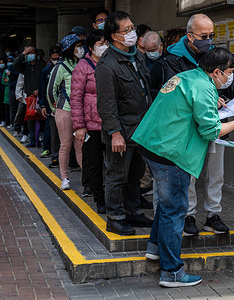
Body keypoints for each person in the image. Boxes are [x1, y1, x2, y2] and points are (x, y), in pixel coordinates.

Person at [132, 47, 234, 288]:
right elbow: (210, 130)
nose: (230, 78)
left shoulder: (188, 77)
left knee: (166, 204)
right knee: (175, 209)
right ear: (217, 71)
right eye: (229, 73)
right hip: (171, 152)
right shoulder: (204, 87)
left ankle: (155, 248)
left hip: (152, 144)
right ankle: (172, 272)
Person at [164, 13, 234, 237]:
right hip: (189, 127)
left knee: (215, 172)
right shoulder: (174, 58)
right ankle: (188, 215)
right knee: (189, 172)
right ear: (190, 36)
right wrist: (206, 97)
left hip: (218, 121)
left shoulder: (216, 53)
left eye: (211, 35)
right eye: (204, 36)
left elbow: (233, 78)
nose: (208, 40)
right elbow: (175, 92)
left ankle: (213, 214)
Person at [95, 11, 153, 235]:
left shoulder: (137, 56)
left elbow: (144, 89)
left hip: (140, 129)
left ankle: (133, 212)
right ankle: (115, 217)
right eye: (127, 30)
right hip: (121, 132)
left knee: (135, 174)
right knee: (117, 176)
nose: (132, 33)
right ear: (114, 36)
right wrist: (115, 133)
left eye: (133, 27)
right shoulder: (107, 65)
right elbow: (107, 105)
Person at [71, 29, 108, 214]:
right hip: (92, 125)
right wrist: (79, 126)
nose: (104, 48)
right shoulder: (82, 66)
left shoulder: (111, 62)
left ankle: (113, 198)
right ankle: (99, 199)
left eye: (106, 44)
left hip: (110, 123)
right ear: (92, 46)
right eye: (101, 44)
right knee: (94, 164)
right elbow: (76, 99)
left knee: (114, 164)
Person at [47, 34, 84, 190]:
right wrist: (55, 108)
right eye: (77, 47)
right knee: (66, 145)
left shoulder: (83, 64)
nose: (81, 49)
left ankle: (87, 178)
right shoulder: (60, 67)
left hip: (80, 111)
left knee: (81, 146)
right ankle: (64, 178)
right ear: (70, 49)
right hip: (65, 110)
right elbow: (50, 90)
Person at [13, 45, 47, 145]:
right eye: (28, 54)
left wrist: (40, 89)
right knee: (30, 118)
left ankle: (41, 138)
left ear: (36, 54)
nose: (30, 55)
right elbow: (15, 65)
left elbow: (46, 80)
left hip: (40, 95)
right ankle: (32, 139)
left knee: (42, 118)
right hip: (29, 97)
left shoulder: (42, 65)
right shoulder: (25, 66)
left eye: (32, 53)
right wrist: (23, 53)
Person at [39, 45, 61, 161]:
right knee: (50, 129)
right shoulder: (46, 71)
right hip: (50, 106)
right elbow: (43, 88)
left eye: (57, 58)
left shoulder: (64, 68)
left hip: (63, 104)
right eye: (53, 59)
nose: (55, 61)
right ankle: (50, 151)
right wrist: (42, 104)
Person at [6, 55, 20, 130]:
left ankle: (18, 124)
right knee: (13, 108)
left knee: (19, 108)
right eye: (8, 61)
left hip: (19, 89)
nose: (9, 63)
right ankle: (12, 123)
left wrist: (11, 74)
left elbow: (18, 76)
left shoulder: (19, 67)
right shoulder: (10, 67)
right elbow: (10, 78)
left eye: (10, 61)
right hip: (12, 88)